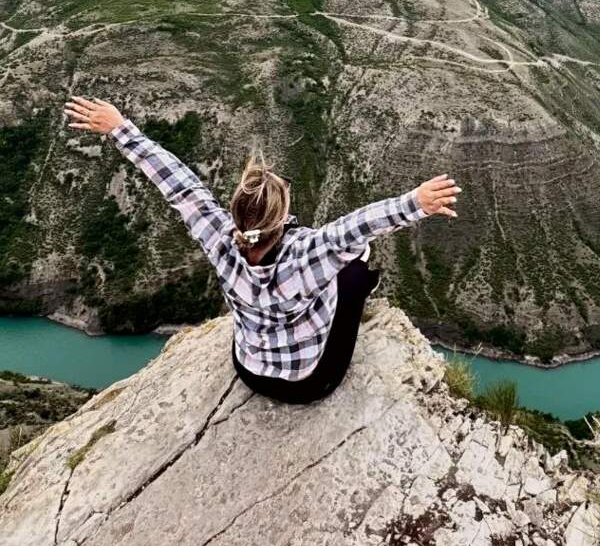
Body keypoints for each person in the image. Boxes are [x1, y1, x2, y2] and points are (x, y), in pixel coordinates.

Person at [63, 96, 461, 403]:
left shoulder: (220, 239)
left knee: (344, 257)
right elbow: (356, 227)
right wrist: (416, 203)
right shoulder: (306, 252)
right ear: (281, 215)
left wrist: (121, 129)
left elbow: (181, 187)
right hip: (309, 382)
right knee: (355, 268)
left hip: (249, 370)